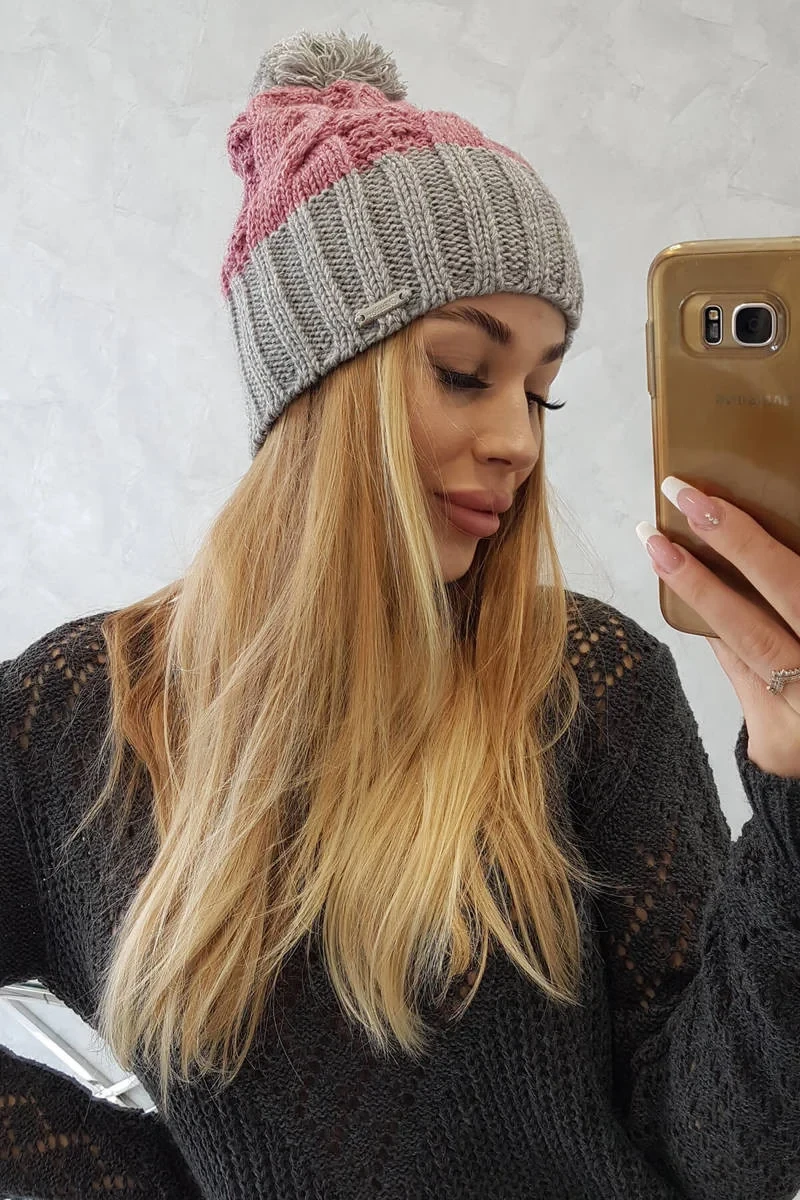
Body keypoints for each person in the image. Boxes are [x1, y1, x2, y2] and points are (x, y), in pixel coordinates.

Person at [2, 29, 799, 1200]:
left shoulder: (585, 683)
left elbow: (718, 1158)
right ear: (317, 385)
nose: (517, 441)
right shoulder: (75, 718)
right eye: (464, 372)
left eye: (540, 391)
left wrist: (790, 787)